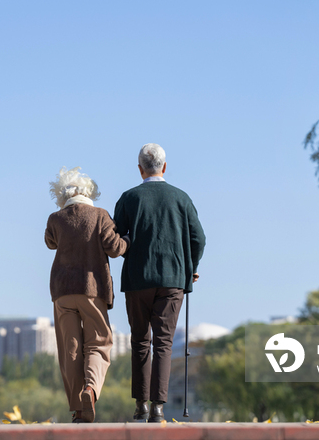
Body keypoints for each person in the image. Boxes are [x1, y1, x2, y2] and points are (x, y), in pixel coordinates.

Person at [114, 143, 206, 422]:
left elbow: (116, 239)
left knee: (140, 341)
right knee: (164, 343)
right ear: (164, 167)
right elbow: (198, 239)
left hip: (137, 279)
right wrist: (192, 268)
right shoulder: (182, 198)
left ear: (140, 168)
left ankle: (140, 405)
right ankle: (158, 408)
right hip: (173, 279)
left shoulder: (128, 198)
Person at [45, 167, 129, 423]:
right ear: (90, 192)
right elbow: (114, 248)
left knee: (70, 347)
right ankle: (90, 390)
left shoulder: (55, 219)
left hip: (62, 291)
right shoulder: (100, 215)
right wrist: (127, 240)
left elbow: (50, 242)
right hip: (91, 289)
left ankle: (77, 410)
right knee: (98, 342)